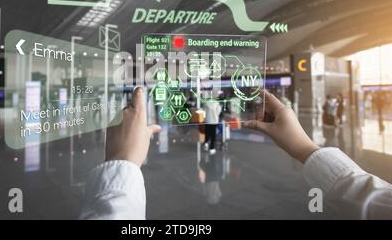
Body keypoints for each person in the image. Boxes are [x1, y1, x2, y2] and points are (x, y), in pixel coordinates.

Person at [81, 88, 392, 220]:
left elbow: (372, 200)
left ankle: (214, 150)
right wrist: (304, 148)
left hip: (214, 131)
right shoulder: (210, 106)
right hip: (215, 130)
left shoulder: (210, 106)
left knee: (213, 145)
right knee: (213, 144)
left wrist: (121, 165)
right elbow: (376, 202)